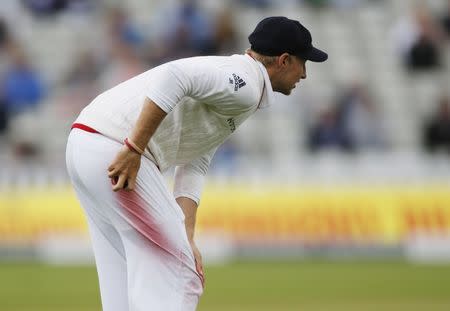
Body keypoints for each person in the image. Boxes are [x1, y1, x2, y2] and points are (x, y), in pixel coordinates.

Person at [65, 16, 327, 311]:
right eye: (303, 63)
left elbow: (195, 161)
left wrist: (186, 236)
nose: (304, 74)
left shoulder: (238, 85)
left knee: (125, 273)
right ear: (283, 60)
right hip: (114, 148)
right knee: (180, 274)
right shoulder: (245, 84)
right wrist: (134, 147)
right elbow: (176, 76)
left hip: (86, 143)